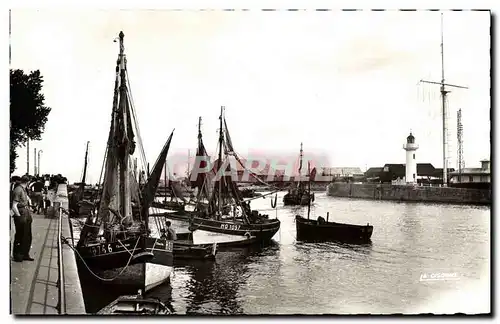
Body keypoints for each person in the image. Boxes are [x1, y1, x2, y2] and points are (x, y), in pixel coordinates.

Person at [11, 175, 34, 262]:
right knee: (20, 235)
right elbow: (14, 206)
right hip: (21, 214)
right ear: (28, 182)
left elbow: (25, 199)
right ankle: (18, 256)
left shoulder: (22, 189)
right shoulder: (19, 190)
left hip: (25, 213)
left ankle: (25, 254)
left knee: (27, 235)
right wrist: (18, 216)